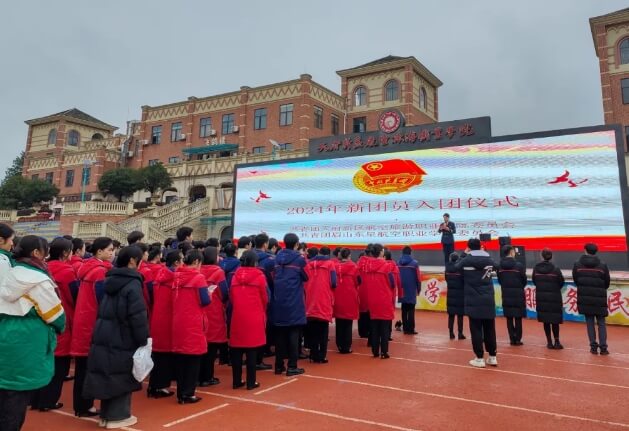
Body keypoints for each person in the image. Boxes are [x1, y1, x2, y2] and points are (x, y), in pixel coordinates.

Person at [0, 235, 65, 431]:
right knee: (16, 400)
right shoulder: (38, 279)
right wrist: (61, 328)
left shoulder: (8, 271)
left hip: (4, 333)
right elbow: (56, 316)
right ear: (36, 253)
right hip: (26, 343)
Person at [83, 246, 149, 429]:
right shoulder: (132, 283)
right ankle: (117, 416)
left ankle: (106, 415)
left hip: (105, 331)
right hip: (123, 335)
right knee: (121, 374)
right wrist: (143, 338)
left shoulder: (110, 279)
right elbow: (137, 315)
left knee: (108, 373)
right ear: (132, 261)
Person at [31, 238, 78, 412]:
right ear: (66, 253)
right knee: (58, 367)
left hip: (41, 318)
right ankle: (47, 401)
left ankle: (34, 399)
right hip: (60, 318)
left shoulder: (41, 268)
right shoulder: (67, 271)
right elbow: (75, 297)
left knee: (41, 361)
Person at [71, 236, 114, 417]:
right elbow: (103, 300)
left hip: (84, 320)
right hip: (92, 323)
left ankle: (82, 404)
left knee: (83, 367)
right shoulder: (99, 272)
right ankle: (84, 405)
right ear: (99, 252)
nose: (113, 253)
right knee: (88, 367)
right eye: (110, 250)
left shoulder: (87, 268)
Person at [171, 249, 210, 404]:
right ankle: (188, 393)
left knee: (181, 359)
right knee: (193, 359)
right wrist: (210, 294)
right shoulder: (198, 278)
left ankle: (181, 393)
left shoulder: (175, 276)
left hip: (178, 320)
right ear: (196, 262)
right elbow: (205, 300)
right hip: (193, 321)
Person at [229, 250, 269, 390]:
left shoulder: (235, 277)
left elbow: (232, 297)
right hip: (254, 314)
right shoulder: (259, 276)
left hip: (238, 315)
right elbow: (265, 297)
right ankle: (251, 382)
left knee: (237, 349)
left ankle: (236, 380)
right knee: (252, 350)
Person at [456, 238, 497, 368]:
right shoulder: (489, 260)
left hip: (473, 300)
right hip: (488, 299)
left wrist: (464, 253)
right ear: (480, 246)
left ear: (469, 247)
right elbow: (498, 267)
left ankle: (479, 358)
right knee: (490, 328)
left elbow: (455, 266)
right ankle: (492, 356)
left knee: (476, 329)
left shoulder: (466, 260)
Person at [147, 250, 182, 399]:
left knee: (158, 354)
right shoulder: (173, 279)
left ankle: (154, 385)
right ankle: (159, 387)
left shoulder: (159, 276)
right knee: (165, 356)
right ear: (175, 262)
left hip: (157, 317)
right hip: (168, 318)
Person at [272, 233, 307, 376]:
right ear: (297, 244)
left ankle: (279, 365)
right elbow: (306, 277)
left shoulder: (277, 258)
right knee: (293, 333)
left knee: (280, 333)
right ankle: (292, 366)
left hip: (278, 299)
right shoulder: (299, 260)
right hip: (294, 300)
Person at [573, 243, 611, 355]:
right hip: (599, 297)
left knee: (589, 322)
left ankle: (593, 347)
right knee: (601, 322)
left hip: (585, 298)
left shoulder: (577, 265)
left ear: (585, 250)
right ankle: (603, 348)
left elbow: (576, 280)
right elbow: (607, 282)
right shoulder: (602, 265)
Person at [199, 246, 229, 386]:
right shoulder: (218, 272)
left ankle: (200, 375)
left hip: (200, 310)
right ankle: (207, 376)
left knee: (201, 344)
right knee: (211, 347)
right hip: (214, 310)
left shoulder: (198, 270)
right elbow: (224, 293)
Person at [362, 244, 396, 359]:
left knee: (375, 326)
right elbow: (392, 282)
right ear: (381, 252)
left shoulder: (368, 266)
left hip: (372, 298)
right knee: (385, 327)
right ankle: (384, 352)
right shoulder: (387, 266)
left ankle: (375, 351)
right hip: (384, 298)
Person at [305, 246, 337, 364]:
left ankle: (313, 354)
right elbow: (333, 282)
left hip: (310, 299)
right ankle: (322, 356)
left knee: (313, 329)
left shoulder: (308, 265)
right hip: (324, 298)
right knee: (323, 330)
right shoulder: (330, 264)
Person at [532, 248, 565, 350]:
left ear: (541, 256)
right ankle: (557, 341)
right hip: (554, 297)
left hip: (541, 297)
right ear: (551, 256)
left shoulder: (536, 269)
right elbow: (561, 282)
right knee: (554, 320)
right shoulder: (556, 269)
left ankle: (549, 342)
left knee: (546, 320)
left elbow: (534, 281)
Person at [497, 245, 527, 346]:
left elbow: (500, 280)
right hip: (518, 294)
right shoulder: (519, 265)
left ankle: (511, 338)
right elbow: (524, 280)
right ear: (511, 252)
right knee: (518, 317)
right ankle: (518, 339)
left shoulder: (500, 266)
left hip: (506, 294)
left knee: (509, 317)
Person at [253, 233, 275, 368]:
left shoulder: (246, 257)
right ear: (265, 244)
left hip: (248, 296)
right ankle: (260, 356)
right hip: (264, 294)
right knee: (263, 326)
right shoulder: (270, 260)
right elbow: (273, 278)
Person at [333, 248, 360, 354]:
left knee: (339, 322)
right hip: (349, 296)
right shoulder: (353, 266)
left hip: (338, 296)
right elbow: (358, 281)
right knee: (348, 323)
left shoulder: (335, 266)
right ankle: (346, 346)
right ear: (349, 256)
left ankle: (339, 344)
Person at [397, 246, 421, 335]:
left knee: (404, 309)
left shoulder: (398, 263)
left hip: (402, 289)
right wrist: (419, 289)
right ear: (410, 253)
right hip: (411, 290)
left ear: (402, 253)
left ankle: (405, 328)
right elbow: (418, 278)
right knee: (411, 309)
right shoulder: (414, 264)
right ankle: (411, 329)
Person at [445, 253, 465, 340]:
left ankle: (451, 333)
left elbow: (446, 279)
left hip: (450, 294)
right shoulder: (460, 269)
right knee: (460, 315)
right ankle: (460, 333)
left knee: (451, 315)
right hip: (460, 294)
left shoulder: (447, 268)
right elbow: (464, 280)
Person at [356, 245, 372, 340]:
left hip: (360, 289)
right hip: (370, 289)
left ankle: (362, 331)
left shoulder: (358, 263)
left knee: (361, 311)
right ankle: (369, 331)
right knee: (369, 312)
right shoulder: (373, 263)